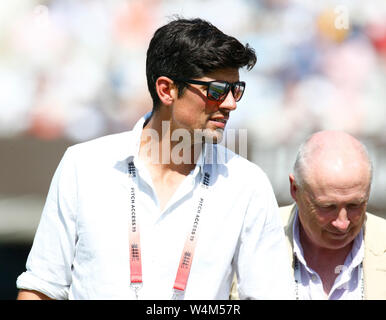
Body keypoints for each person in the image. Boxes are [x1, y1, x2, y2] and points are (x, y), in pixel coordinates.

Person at [16, 17, 294, 300]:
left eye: (236, 90)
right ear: (166, 90)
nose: (231, 103)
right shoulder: (83, 166)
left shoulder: (247, 184)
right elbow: (41, 288)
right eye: (217, 91)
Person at [281, 130, 386, 299]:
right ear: (295, 189)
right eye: (328, 206)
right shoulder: (252, 237)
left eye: (354, 205)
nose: (342, 223)